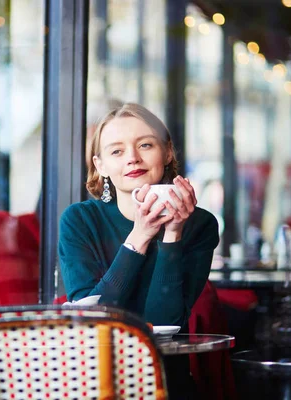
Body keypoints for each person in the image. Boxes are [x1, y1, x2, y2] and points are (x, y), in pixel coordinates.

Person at [58, 103, 219, 399]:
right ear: (100, 165)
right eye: (116, 151)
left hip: (167, 381)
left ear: (167, 152)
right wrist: (140, 235)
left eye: (145, 145)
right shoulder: (79, 221)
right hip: (95, 380)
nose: (132, 158)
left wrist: (172, 234)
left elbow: (163, 323)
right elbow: (92, 319)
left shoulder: (200, 225)